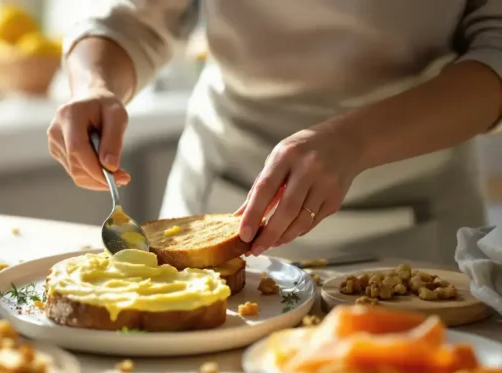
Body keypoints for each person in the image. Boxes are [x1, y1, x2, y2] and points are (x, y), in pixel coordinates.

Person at [47, 1, 502, 265]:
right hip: (217, 185)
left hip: (415, 211)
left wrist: (356, 141)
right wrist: (95, 87)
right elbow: (132, 17)